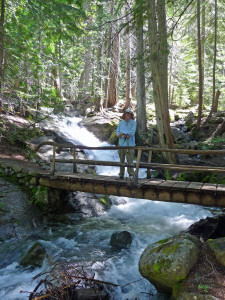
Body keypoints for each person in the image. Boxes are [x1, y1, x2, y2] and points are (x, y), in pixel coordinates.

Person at [116, 108, 136, 179]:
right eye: (126, 114)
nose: (127, 115)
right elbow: (117, 132)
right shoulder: (121, 123)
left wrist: (124, 133)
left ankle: (131, 175)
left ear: (131, 115)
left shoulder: (133, 122)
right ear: (124, 115)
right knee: (121, 161)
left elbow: (133, 132)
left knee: (130, 160)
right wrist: (121, 134)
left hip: (130, 145)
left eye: (129, 114)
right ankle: (121, 175)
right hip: (121, 144)